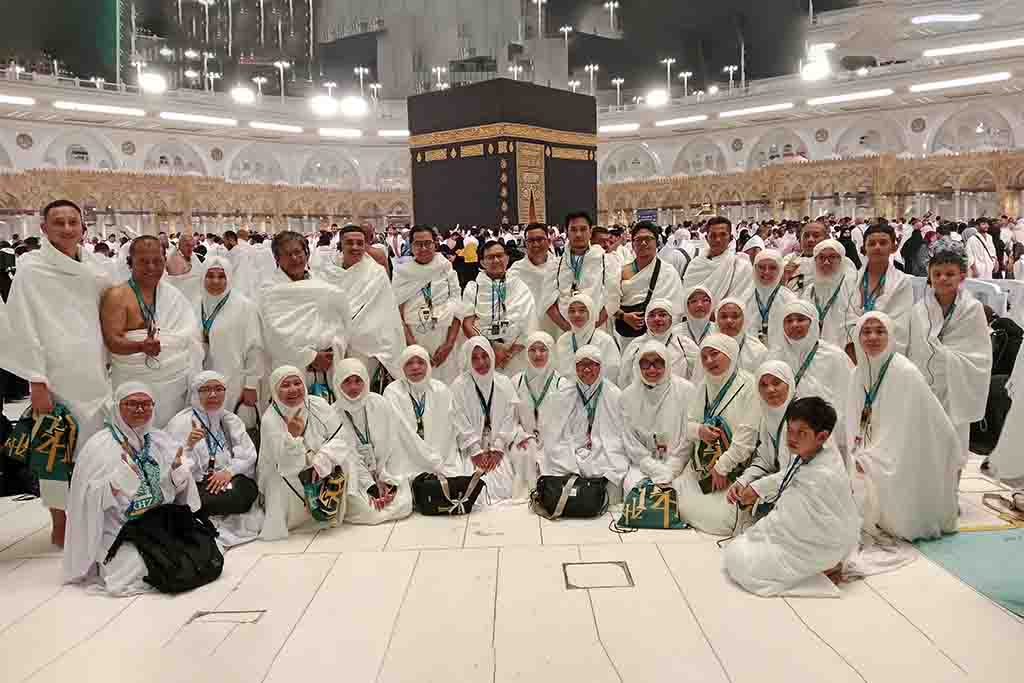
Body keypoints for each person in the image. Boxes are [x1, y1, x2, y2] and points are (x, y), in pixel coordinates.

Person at [3, 199, 113, 546]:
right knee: (53, 452)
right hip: (54, 375)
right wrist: (36, 380)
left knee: (93, 451)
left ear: (82, 227)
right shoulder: (31, 270)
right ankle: (60, 523)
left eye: (72, 222)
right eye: (58, 222)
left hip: (94, 372)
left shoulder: (97, 268)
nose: (67, 228)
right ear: (44, 228)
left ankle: (93, 517)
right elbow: (23, 325)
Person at [63, 383, 201, 596]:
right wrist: (116, 484)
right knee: (139, 566)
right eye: (132, 404)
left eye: (146, 404)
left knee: (196, 548)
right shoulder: (99, 446)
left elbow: (169, 489)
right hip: (117, 527)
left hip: (156, 520)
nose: (140, 409)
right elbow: (85, 498)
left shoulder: (158, 439)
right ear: (117, 408)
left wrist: (177, 473)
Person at [724, 396, 860, 597]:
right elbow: (787, 476)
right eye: (790, 430)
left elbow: (796, 524)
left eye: (801, 433)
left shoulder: (823, 474)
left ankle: (824, 569)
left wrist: (766, 528)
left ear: (822, 437)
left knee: (740, 560)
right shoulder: (812, 455)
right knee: (740, 548)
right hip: (805, 539)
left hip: (818, 547)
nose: (792, 438)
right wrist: (755, 489)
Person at [846, 312, 960, 541]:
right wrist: (857, 451)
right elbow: (853, 420)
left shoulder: (904, 372)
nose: (872, 337)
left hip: (912, 449)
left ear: (891, 335)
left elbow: (905, 430)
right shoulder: (858, 373)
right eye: (866, 332)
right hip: (880, 446)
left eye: (880, 331)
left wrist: (869, 457)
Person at [101, 236, 202, 428]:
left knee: (171, 431)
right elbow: (112, 341)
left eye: (157, 261)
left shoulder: (173, 295)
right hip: (132, 382)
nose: (151, 267)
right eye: (143, 261)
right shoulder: (117, 296)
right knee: (135, 432)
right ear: (130, 263)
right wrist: (141, 346)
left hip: (173, 383)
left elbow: (188, 335)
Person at [906, 242, 991, 465]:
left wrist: (943, 355)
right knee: (925, 449)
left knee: (953, 450)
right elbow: (913, 350)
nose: (943, 278)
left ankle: (952, 484)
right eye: (937, 274)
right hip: (925, 387)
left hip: (956, 387)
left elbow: (980, 355)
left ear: (961, 276)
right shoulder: (919, 310)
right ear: (929, 276)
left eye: (950, 274)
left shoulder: (972, 309)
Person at [165, 372, 263, 547]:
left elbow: (248, 455)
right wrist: (189, 446)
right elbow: (174, 466)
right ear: (195, 393)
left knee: (246, 490)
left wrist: (228, 472)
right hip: (198, 484)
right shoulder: (181, 423)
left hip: (227, 479)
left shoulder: (229, 419)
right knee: (196, 502)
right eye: (205, 390)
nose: (213, 395)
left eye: (218, 389)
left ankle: (214, 507)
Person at [677, 334, 761, 535]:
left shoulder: (749, 385)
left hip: (737, 465)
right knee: (679, 499)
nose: (709, 361)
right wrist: (700, 431)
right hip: (704, 465)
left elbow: (747, 436)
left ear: (730, 354)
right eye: (704, 357)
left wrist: (723, 467)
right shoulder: (704, 385)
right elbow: (686, 426)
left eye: (714, 354)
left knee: (723, 519)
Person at [257, 366, 350, 540]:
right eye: (285, 385)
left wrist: (321, 461)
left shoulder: (317, 404)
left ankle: (327, 511)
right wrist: (292, 437)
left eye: (297, 383)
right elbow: (285, 466)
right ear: (275, 390)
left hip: (321, 466)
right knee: (279, 480)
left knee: (344, 460)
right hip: (286, 475)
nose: (293, 389)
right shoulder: (270, 419)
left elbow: (341, 438)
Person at [258, 231, 351, 394]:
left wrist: (333, 348)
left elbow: (339, 323)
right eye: (288, 254)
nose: (295, 258)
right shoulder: (269, 292)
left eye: (298, 252)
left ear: (306, 253)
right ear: (277, 259)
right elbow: (272, 335)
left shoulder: (322, 286)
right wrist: (310, 358)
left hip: (326, 367)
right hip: (289, 370)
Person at [333, 359, 423, 525]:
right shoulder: (333, 414)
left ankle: (387, 495)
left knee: (404, 504)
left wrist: (387, 480)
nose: (353, 387)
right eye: (347, 382)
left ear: (366, 381)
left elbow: (393, 444)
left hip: (385, 471)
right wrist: (371, 487)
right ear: (338, 383)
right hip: (356, 478)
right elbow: (347, 458)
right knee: (367, 511)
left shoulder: (379, 403)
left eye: (358, 381)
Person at [318, 225, 405, 382]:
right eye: (349, 243)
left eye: (360, 243)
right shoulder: (327, 272)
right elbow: (322, 309)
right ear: (341, 244)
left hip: (365, 344)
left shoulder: (377, 273)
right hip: (333, 342)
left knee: (360, 388)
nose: (355, 247)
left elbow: (387, 311)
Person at [543, 345, 629, 500]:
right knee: (557, 459)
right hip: (571, 446)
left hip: (605, 446)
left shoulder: (615, 394)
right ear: (575, 367)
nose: (587, 369)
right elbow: (554, 431)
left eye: (592, 364)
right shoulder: (564, 394)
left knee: (614, 464)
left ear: (600, 366)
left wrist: (599, 443)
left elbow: (621, 432)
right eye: (581, 365)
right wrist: (573, 446)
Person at [450, 337, 523, 502]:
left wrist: (498, 448)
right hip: (470, 447)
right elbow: (457, 420)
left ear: (491, 355)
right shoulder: (459, 385)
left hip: (498, 445)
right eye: (474, 358)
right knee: (472, 487)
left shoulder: (503, 382)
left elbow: (511, 417)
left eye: (484, 356)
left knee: (504, 488)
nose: (481, 362)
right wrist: (475, 450)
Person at [768, 300, 853, 439]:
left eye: (801, 319)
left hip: (824, 431)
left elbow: (847, 398)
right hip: (784, 430)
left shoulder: (834, 356)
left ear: (813, 322)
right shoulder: (773, 357)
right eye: (789, 320)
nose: (794, 324)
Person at [621, 341, 696, 498]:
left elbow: (689, 436)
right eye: (645, 364)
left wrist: (673, 466)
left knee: (680, 493)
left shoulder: (686, 390)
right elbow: (629, 439)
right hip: (642, 464)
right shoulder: (628, 396)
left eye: (658, 363)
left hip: (679, 462)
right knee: (633, 489)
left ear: (667, 363)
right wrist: (651, 466)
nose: (651, 369)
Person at [393, 226, 463, 384]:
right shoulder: (402, 272)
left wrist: (449, 344)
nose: (423, 248)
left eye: (427, 243)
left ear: (435, 244)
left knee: (447, 386)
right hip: (415, 337)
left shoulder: (445, 266)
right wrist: (414, 348)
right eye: (418, 244)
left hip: (444, 336)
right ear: (411, 246)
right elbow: (397, 313)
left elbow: (458, 305)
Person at [195, 256, 263, 412]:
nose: (215, 281)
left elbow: (255, 348)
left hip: (234, 382)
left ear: (229, 278)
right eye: (210, 276)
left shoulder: (244, 307)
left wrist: (251, 385)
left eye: (221, 276)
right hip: (202, 381)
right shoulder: (196, 304)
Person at [462, 240, 537, 377]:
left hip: (515, 356)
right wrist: (490, 348)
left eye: (500, 256)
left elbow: (529, 322)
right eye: (490, 257)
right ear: (482, 262)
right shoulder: (473, 288)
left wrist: (508, 353)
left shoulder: (519, 286)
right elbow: (467, 325)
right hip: (482, 354)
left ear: (507, 258)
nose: (496, 260)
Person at [384, 345, 461, 476]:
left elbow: (448, 432)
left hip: (440, 457)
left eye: (420, 362)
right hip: (406, 457)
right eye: (409, 363)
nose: (415, 367)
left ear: (428, 366)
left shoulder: (441, 390)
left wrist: (435, 459)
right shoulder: (393, 392)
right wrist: (431, 460)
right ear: (402, 367)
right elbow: (403, 433)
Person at [508, 332, 568, 493]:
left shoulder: (561, 384)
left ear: (551, 352)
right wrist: (521, 436)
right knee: (522, 457)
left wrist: (547, 440)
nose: (537, 354)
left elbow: (566, 422)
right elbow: (510, 419)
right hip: (524, 441)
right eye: (532, 350)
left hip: (553, 442)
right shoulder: (516, 381)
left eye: (543, 349)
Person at [545, 212, 621, 335]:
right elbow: (548, 303)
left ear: (590, 232)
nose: (578, 234)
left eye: (583, 229)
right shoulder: (555, 265)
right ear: (566, 232)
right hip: (566, 332)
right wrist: (568, 329)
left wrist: (592, 328)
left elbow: (613, 298)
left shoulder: (605, 261)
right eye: (573, 229)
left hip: (597, 331)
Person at [846, 223, 914, 358]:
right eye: (872, 243)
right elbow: (844, 317)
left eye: (883, 243)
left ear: (893, 247)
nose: (877, 247)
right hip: (852, 350)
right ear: (864, 248)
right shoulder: (850, 280)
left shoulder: (901, 282)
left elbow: (900, 324)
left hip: (886, 350)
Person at [614, 222, 685, 339]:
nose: (643, 243)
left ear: (657, 243)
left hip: (660, 334)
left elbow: (676, 308)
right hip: (627, 335)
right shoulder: (622, 271)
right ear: (632, 244)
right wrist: (624, 316)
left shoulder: (668, 272)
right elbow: (610, 303)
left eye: (648, 239)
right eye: (638, 239)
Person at [619, 299, 698, 386]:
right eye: (652, 315)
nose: (657, 319)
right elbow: (624, 379)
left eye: (662, 315)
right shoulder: (636, 346)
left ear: (671, 319)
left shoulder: (685, 345)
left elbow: (698, 375)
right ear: (646, 319)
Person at [681, 216, 753, 304]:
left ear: (730, 238)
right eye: (713, 236)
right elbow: (687, 298)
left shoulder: (741, 267)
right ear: (706, 238)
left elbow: (744, 299)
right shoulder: (695, 266)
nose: (718, 240)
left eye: (723, 235)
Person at [553, 292, 621, 382]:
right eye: (572, 311)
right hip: (567, 388)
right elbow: (557, 371)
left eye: (582, 310)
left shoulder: (604, 340)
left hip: (598, 388)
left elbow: (613, 371)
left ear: (591, 312)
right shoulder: (563, 340)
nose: (576, 315)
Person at [509, 224, 561, 339]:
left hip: (556, 328)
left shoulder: (560, 266)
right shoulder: (516, 271)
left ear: (548, 241)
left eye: (540, 239)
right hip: (527, 332)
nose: (536, 244)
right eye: (531, 240)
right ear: (525, 243)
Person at [803, 239, 857, 349]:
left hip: (845, 348)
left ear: (841, 260)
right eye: (821, 257)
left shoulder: (851, 286)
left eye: (832, 257)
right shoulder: (810, 290)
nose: (826, 262)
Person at [746, 249, 796, 349]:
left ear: (780, 270)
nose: (766, 272)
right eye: (761, 267)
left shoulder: (789, 299)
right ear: (754, 268)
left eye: (772, 268)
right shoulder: (745, 296)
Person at [715, 297, 768, 375]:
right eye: (724, 317)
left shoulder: (758, 351)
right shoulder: (708, 349)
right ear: (716, 320)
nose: (729, 321)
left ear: (744, 319)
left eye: (735, 317)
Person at [164, 233, 203, 302]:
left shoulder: (192, 255)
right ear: (179, 245)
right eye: (187, 245)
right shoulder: (174, 258)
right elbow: (180, 285)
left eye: (192, 246)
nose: (190, 249)